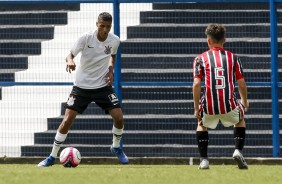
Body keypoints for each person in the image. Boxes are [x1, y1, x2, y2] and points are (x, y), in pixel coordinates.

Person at [38, 12, 129, 167]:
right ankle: (52, 156)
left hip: (102, 86)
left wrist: (111, 69)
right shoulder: (86, 38)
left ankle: (116, 147)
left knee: (119, 117)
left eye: (108, 26)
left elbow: (112, 56)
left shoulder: (115, 40)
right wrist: (70, 62)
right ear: (97, 24)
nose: (105, 30)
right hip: (81, 87)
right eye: (102, 26)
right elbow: (70, 55)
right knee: (67, 120)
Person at [192, 23, 249, 169]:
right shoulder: (233, 58)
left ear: (208, 41)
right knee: (240, 119)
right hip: (229, 104)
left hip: (209, 106)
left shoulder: (200, 58)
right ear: (224, 40)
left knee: (201, 124)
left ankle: (204, 160)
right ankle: (238, 150)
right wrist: (244, 102)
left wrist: (196, 108)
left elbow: (197, 84)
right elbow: (241, 83)